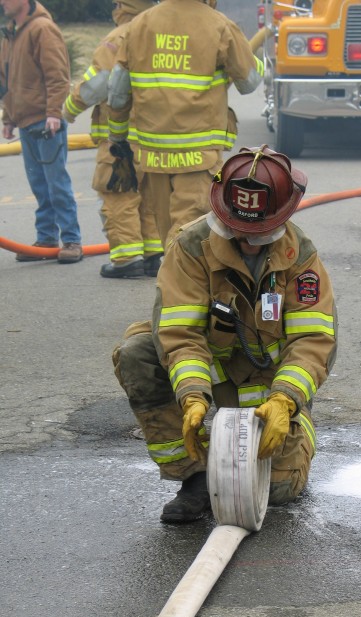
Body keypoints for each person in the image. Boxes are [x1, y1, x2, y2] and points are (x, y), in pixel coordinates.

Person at [113, 145, 338, 523]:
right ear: (224, 210)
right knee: (137, 352)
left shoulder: (299, 258)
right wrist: (192, 397)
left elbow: (312, 342)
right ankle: (195, 475)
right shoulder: (190, 247)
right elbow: (180, 333)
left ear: (282, 216)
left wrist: (286, 400)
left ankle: (301, 427)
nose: (248, 240)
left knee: (280, 492)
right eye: (239, 230)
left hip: (268, 383)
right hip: (209, 374)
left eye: (260, 232)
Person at [107, 0, 264, 254]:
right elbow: (249, 82)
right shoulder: (219, 25)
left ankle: (173, 288)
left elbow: (117, 92)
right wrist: (259, 61)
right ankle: (181, 290)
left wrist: (116, 135)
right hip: (198, 156)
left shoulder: (139, 25)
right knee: (188, 236)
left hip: (154, 156)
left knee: (167, 233)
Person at [62, 0, 164, 279]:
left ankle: (127, 258)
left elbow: (98, 84)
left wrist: (68, 109)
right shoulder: (161, 31)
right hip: (155, 133)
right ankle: (154, 255)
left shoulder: (120, 36)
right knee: (148, 196)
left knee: (118, 193)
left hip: (121, 135)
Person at [0, 0, 82, 263]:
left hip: (46, 123)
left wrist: (54, 113)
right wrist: (9, 117)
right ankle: (46, 239)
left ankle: (71, 240)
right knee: (39, 185)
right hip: (25, 121)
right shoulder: (11, 32)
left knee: (56, 183)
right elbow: (8, 80)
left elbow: (57, 75)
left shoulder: (42, 29)